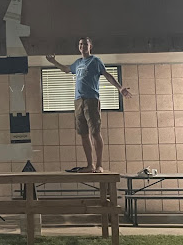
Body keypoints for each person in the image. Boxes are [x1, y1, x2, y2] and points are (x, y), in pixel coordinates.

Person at [46, 37, 131, 173]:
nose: (83, 46)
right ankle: (90, 165)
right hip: (78, 101)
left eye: (85, 44)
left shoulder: (95, 61)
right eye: (80, 44)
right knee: (83, 133)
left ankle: (99, 165)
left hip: (91, 99)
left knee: (95, 132)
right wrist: (53, 61)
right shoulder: (78, 62)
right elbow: (67, 69)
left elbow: (107, 74)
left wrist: (120, 88)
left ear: (90, 46)